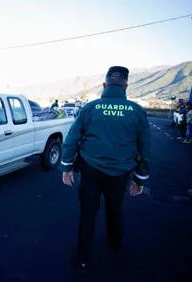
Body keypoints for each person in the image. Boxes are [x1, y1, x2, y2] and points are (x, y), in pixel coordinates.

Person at [60, 66, 151, 271]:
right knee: (115, 209)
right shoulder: (137, 111)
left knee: (88, 213)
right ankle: (115, 245)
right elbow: (145, 147)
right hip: (120, 174)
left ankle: (83, 257)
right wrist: (140, 178)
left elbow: (72, 139)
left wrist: (66, 167)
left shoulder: (91, 108)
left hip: (91, 170)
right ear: (126, 85)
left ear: (104, 85)